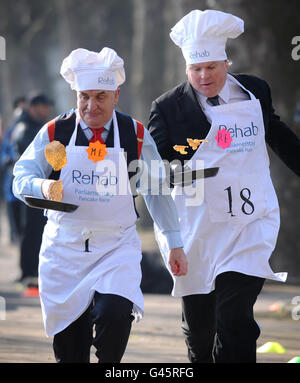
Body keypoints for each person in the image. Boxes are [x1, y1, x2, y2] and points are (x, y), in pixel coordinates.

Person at [13, 47, 187, 363]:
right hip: (64, 252)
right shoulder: (57, 134)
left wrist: (174, 244)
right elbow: (21, 176)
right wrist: (43, 186)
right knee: (70, 349)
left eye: (100, 97)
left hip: (115, 248)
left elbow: (157, 191)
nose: (91, 106)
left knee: (116, 313)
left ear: (116, 95)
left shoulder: (133, 135)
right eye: (84, 97)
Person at [148, 9, 300, 363]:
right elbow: (154, 169)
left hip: (250, 220)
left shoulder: (254, 92)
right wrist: (179, 171)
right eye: (196, 69)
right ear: (187, 69)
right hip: (197, 226)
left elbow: (276, 134)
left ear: (226, 63)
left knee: (235, 317)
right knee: (201, 331)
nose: (204, 76)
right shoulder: (167, 108)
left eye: (211, 68)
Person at [11, 94, 53, 292]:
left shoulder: (40, 126)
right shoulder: (25, 128)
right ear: (33, 107)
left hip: (42, 188)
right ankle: (27, 273)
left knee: (38, 230)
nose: (46, 110)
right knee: (29, 231)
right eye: (43, 106)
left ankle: (34, 272)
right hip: (28, 189)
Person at [0, 97, 28, 243]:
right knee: (12, 212)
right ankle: (14, 237)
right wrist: (8, 160)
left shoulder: (32, 130)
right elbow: (4, 153)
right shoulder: (11, 132)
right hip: (11, 180)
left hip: (25, 180)